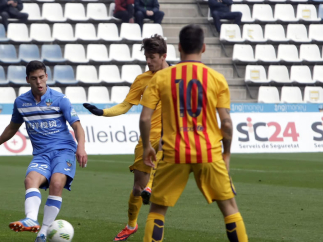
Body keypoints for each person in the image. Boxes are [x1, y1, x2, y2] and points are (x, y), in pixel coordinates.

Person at [139, 25, 248, 242]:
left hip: (173, 152)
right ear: (204, 48)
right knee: (229, 207)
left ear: (178, 48)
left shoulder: (161, 78)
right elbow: (226, 124)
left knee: (157, 210)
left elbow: (144, 118)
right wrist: (226, 154)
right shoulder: (216, 78)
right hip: (209, 152)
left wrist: (146, 148)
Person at [0, 61, 88, 242]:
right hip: (41, 154)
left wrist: (81, 147)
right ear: (27, 80)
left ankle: (43, 232)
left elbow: (77, 126)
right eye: (34, 78)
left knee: (56, 183)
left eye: (41, 77)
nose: (39, 82)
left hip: (64, 150)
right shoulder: (21, 102)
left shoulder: (60, 99)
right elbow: (12, 128)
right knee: (30, 180)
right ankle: (31, 218)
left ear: (46, 77)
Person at [83, 35, 170, 241]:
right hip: (148, 137)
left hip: (172, 134)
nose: (148, 61)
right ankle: (131, 225)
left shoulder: (177, 77)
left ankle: (152, 186)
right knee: (138, 188)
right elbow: (125, 105)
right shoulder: (142, 80)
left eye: (152, 57)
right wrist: (102, 112)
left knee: (167, 147)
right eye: (146, 57)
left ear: (164, 56)